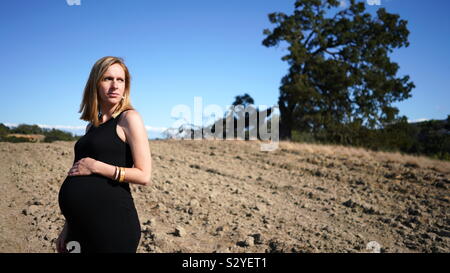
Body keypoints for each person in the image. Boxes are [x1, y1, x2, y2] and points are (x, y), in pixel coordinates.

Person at [56, 56, 152, 253]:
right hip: (79, 227)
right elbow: (78, 173)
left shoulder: (129, 118)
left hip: (112, 225)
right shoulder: (92, 125)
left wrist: (96, 166)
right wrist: (69, 226)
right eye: (108, 79)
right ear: (95, 83)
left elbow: (144, 175)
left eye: (121, 80)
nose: (115, 85)